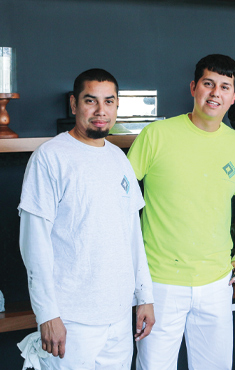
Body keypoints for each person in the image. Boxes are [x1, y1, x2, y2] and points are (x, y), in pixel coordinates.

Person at [18, 68, 155, 369]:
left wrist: (144, 297)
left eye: (109, 102)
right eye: (90, 101)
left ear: (118, 105)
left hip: (119, 318)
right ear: (73, 104)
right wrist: (47, 314)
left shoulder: (119, 158)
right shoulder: (50, 157)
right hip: (70, 319)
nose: (100, 111)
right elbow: (34, 244)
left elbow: (132, 236)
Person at [127, 54, 235, 370]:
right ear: (193, 87)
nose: (215, 93)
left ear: (234, 96)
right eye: (208, 84)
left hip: (216, 282)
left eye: (225, 87)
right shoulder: (155, 136)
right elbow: (122, 200)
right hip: (160, 282)